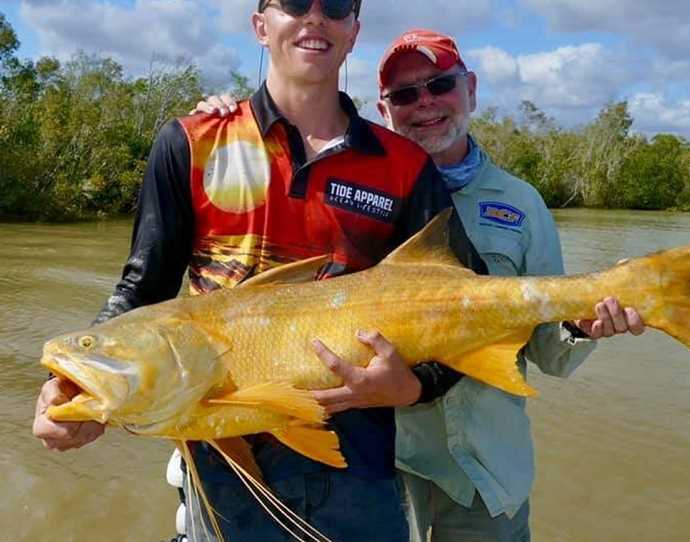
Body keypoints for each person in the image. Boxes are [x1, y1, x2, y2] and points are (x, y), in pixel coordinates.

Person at [32, 3, 464, 541]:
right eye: (294, 3)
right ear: (261, 25)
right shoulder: (192, 143)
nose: (315, 18)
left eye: (334, 6)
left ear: (354, 30)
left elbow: (465, 307)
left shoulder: (404, 166)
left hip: (360, 471)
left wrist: (413, 387)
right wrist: (69, 385)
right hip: (222, 471)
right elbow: (143, 289)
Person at [194, 29, 645, 542]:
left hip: (486, 470)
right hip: (385, 466)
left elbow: (552, 355)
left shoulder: (524, 205)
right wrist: (229, 126)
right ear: (384, 110)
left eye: (440, 85)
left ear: (470, 90)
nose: (425, 103)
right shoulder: (348, 188)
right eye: (405, 94)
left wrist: (584, 326)